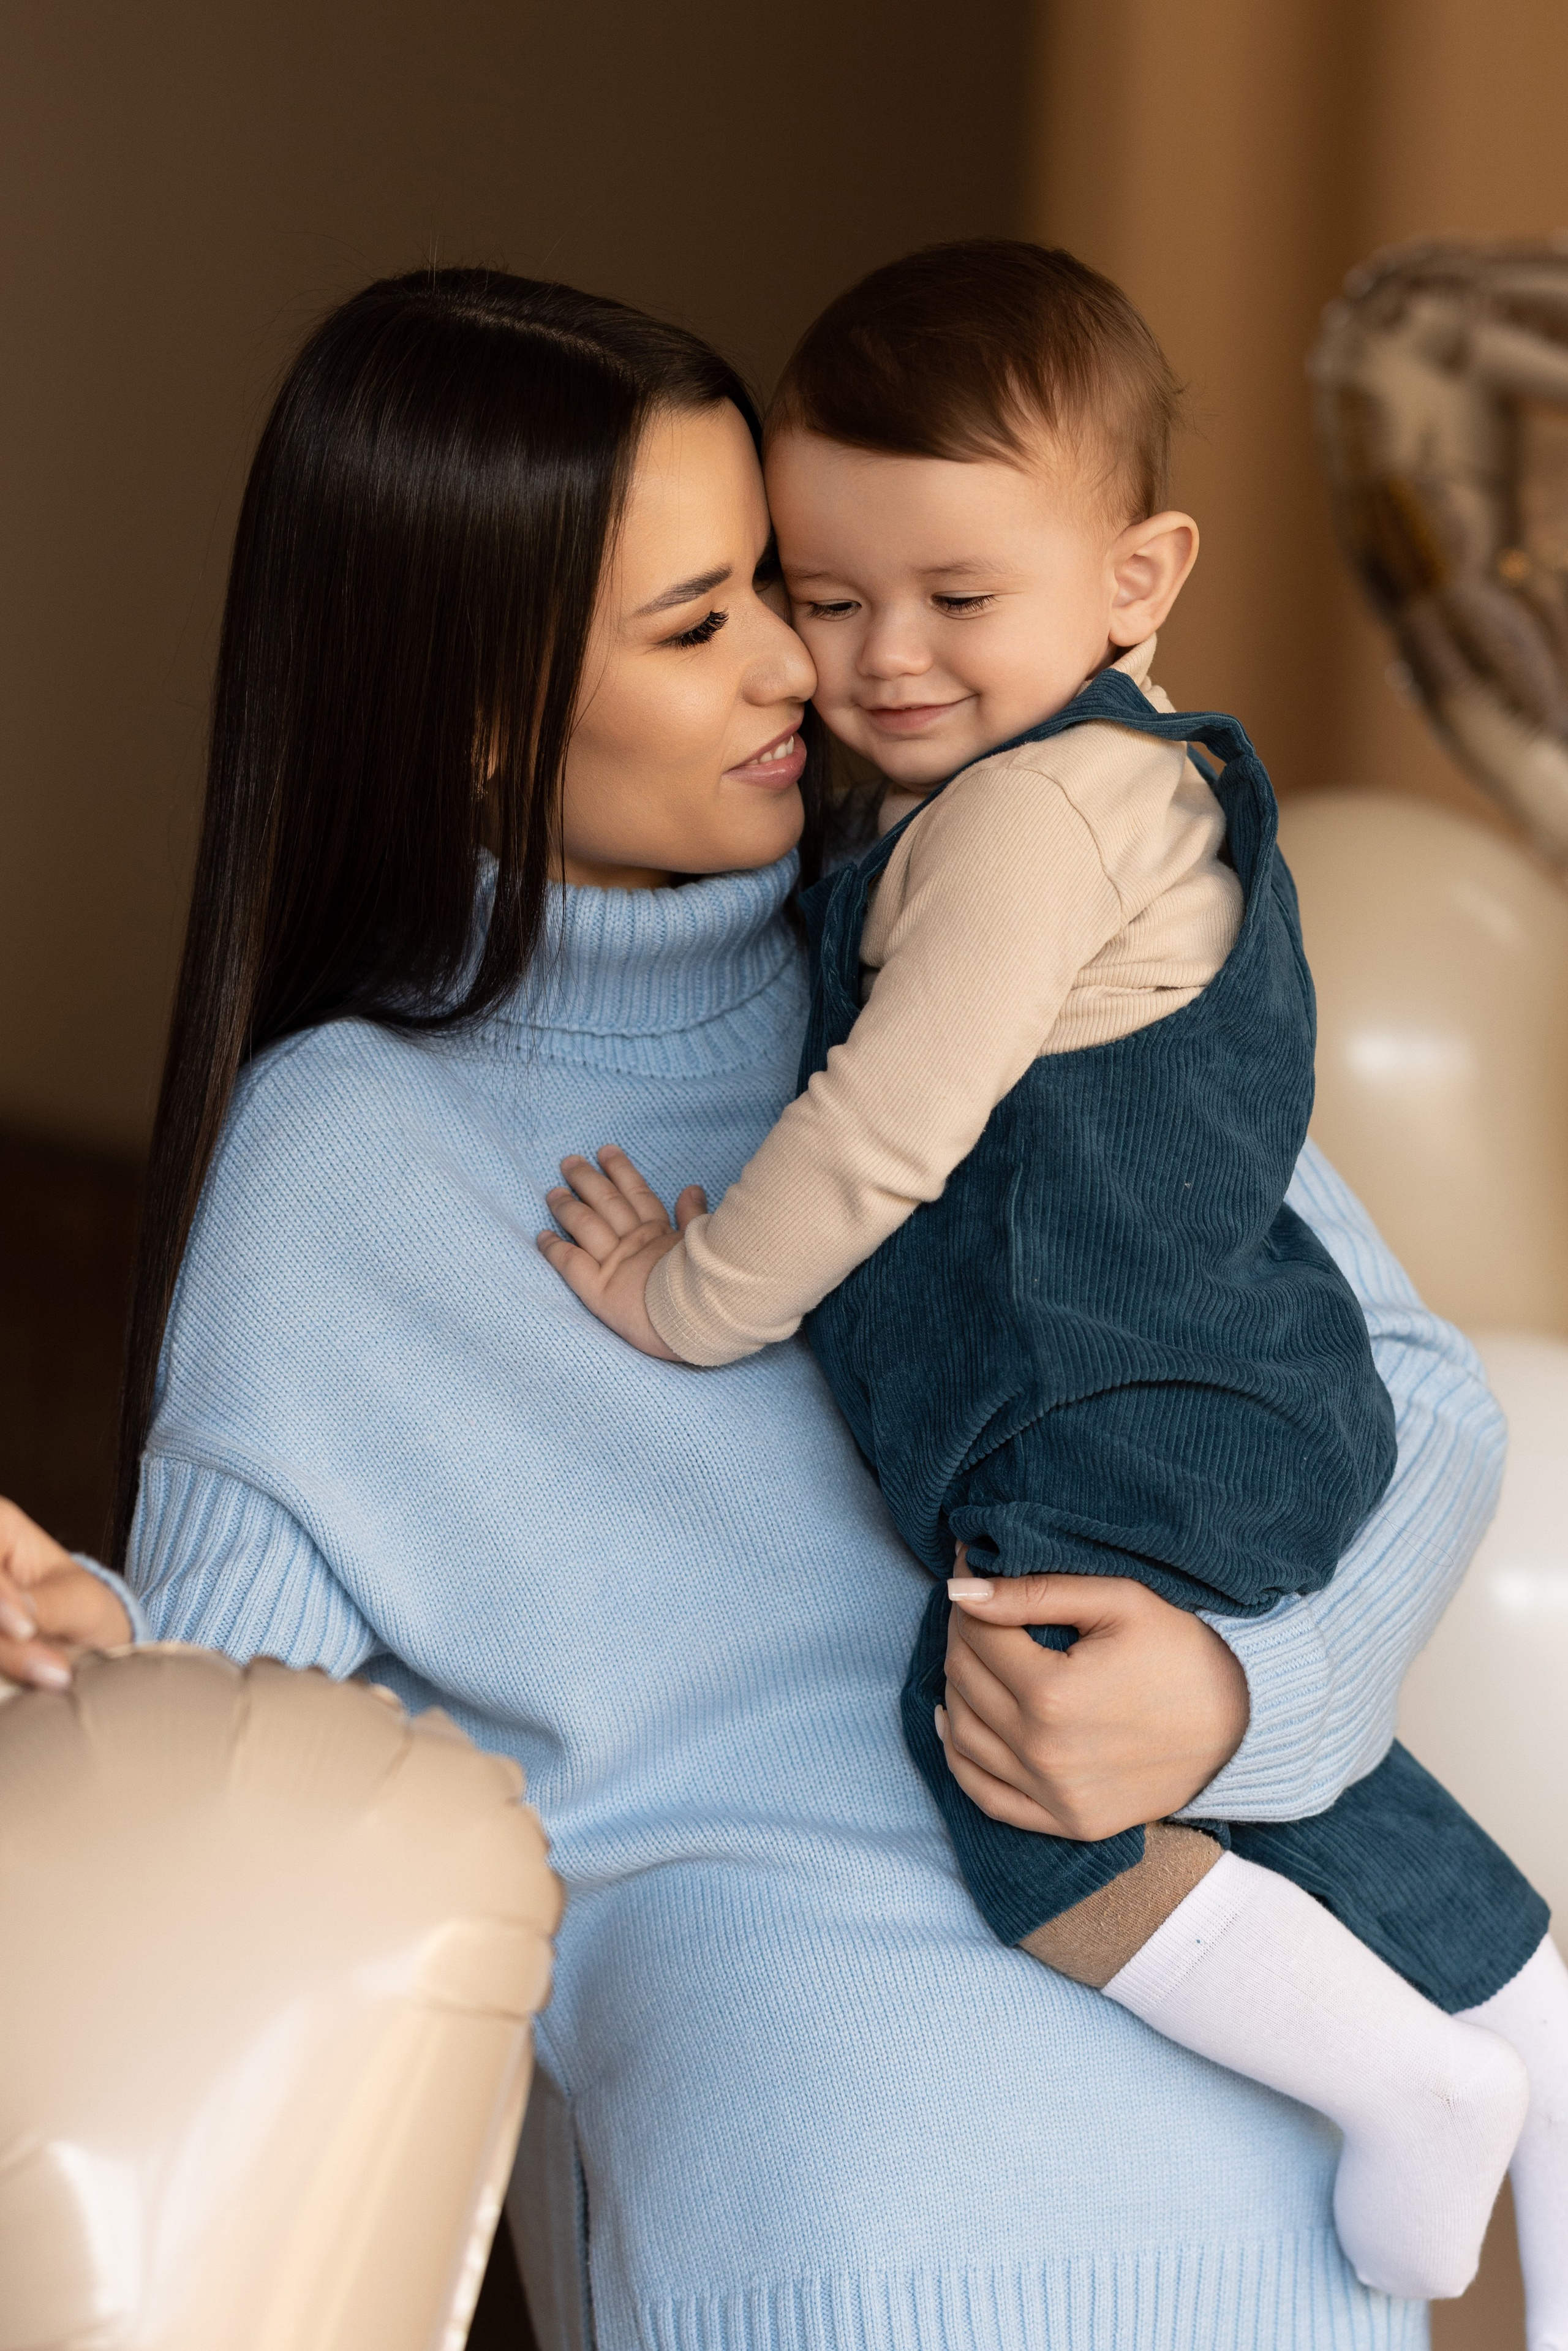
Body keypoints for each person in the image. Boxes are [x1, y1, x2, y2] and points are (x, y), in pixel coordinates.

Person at [75, 265, 1516, 2349]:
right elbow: (240, 1772)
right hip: (823, 2218)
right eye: (705, 621)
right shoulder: (350, 1160)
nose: (812, 661)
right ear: (479, 710)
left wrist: (1239, 1693)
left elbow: (1412, 1390)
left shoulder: (992, 911)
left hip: (1282, 2155)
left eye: (785, 577)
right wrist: (71, 1674)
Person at [537, 243, 1567, 2317]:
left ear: (1135, 576)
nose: (881, 659)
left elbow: (878, 1135)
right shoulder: (1102, 783)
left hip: (1118, 1418)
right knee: (1304, 1796)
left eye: (956, 599)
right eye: (824, 601)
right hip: (1218, 1403)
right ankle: (1523, 1993)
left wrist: (689, 1295)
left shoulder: (1031, 832)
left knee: (1025, 1800)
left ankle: (1407, 2084)